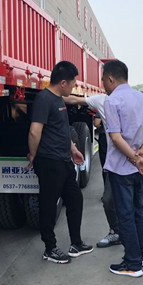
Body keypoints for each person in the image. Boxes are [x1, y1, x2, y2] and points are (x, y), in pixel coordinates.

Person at [27, 61, 94, 263]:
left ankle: (76, 243)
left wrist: (73, 149)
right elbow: (35, 131)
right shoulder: (44, 99)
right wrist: (33, 155)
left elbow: (61, 130)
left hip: (63, 160)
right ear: (63, 82)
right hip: (49, 161)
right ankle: (50, 248)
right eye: (72, 83)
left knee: (75, 199)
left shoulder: (59, 100)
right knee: (48, 206)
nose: (73, 86)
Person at [102, 59, 143, 277]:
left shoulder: (112, 101)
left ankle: (132, 263)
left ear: (110, 78)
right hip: (141, 167)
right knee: (138, 210)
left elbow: (116, 137)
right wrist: (141, 153)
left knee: (125, 214)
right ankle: (139, 255)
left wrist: (134, 158)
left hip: (122, 167)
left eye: (103, 80)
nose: (103, 85)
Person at [63, 93, 120, 248]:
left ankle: (134, 247)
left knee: (129, 203)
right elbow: (73, 99)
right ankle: (118, 233)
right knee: (109, 200)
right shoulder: (103, 100)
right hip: (118, 163)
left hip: (129, 163)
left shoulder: (136, 100)